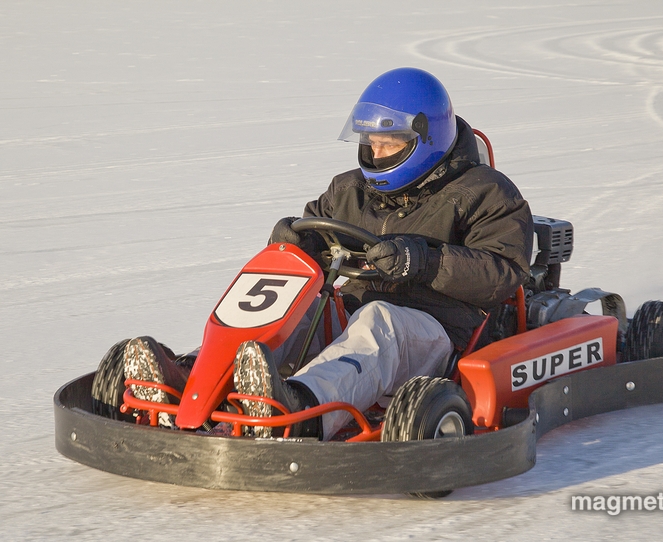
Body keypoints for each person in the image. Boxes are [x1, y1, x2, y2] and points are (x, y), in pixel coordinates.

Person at [125, 67, 533, 440]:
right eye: (371, 141)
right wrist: (293, 242)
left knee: (380, 321)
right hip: (350, 316)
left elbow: (504, 270)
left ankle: (300, 409)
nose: (377, 152)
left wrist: (423, 262)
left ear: (424, 139)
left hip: (438, 333)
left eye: (389, 142)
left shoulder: (487, 193)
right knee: (297, 310)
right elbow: (316, 230)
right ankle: (189, 384)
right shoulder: (349, 189)